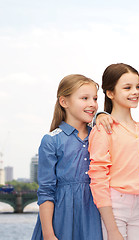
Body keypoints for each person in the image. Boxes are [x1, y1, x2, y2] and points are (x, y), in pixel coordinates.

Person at [32, 74, 103, 240]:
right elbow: (46, 192)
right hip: (61, 220)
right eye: (85, 98)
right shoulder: (51, 140)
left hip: (95, 218)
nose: (92, 104)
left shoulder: (99, 136)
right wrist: (49, 234)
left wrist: (103, 114)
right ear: (64, 102)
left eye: (94, 98)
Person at [88, 63, 139, 240]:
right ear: (110, 93)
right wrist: (112, 229)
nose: (135, 92)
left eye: (138, 86)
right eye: (127, 87)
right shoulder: (103, 129)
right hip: (115, 206)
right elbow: (98, 178)